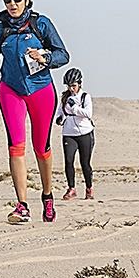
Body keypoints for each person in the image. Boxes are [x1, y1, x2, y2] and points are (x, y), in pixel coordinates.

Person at [0, 0, 70, 223]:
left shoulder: (40, 24)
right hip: (10, 89)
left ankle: (47, 196)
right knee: (16, 146)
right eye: (7, 0)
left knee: (41, 147)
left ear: (27, 0)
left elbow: (63, 55)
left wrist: (45, 57)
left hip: (41, 90)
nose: (12, 4)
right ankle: (22, 205)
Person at [57, 69, 97, 198]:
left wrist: (74, 108)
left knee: (85, 163)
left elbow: (88, 113)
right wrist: (60, 118)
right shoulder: (64, 98)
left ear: (79, 84)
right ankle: (71, 188)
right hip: (69, 133)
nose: (71, 89)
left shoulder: (85, 97)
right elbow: (60, 112)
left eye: (73, 85)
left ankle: (89, 188)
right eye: (69, 86)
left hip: (85, 132)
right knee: (69, 161)